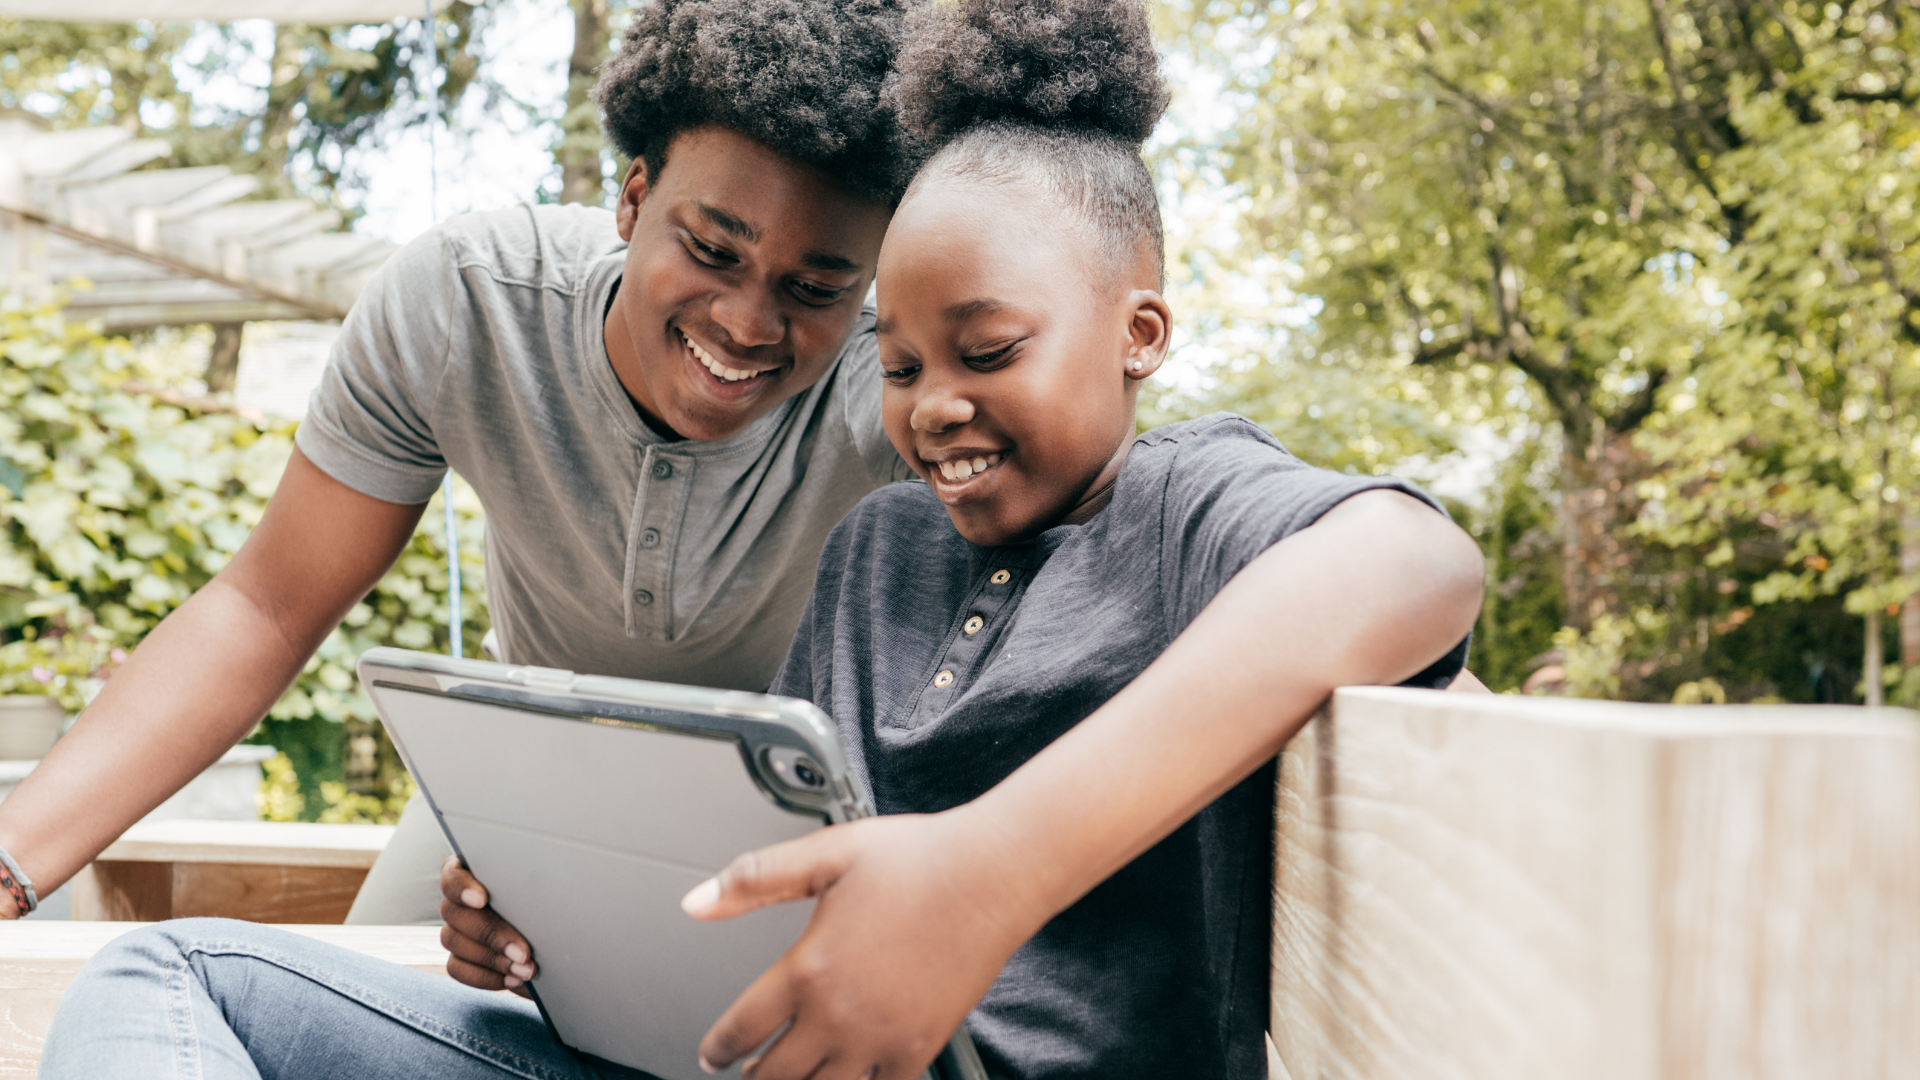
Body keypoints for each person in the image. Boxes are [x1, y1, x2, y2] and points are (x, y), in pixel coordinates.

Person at [39, 2, 1483, 1077]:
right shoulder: (878, 553)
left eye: (977, 347)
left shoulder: (1136, 498)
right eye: (905, 362)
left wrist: (987, 869)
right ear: (630, 202)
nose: (927, 404)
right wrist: (562, 941)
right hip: (676, 967)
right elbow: (773, 881)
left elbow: (1408, 562)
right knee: (165, 983)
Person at [0, 0, 925, 927]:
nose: (748, 324)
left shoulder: (901, 386)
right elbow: (265, 609)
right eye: (712, 250)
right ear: (634, 199)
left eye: (816, 289)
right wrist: (10, 868)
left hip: (784, 818)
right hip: (524, 784)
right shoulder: (467, 307)